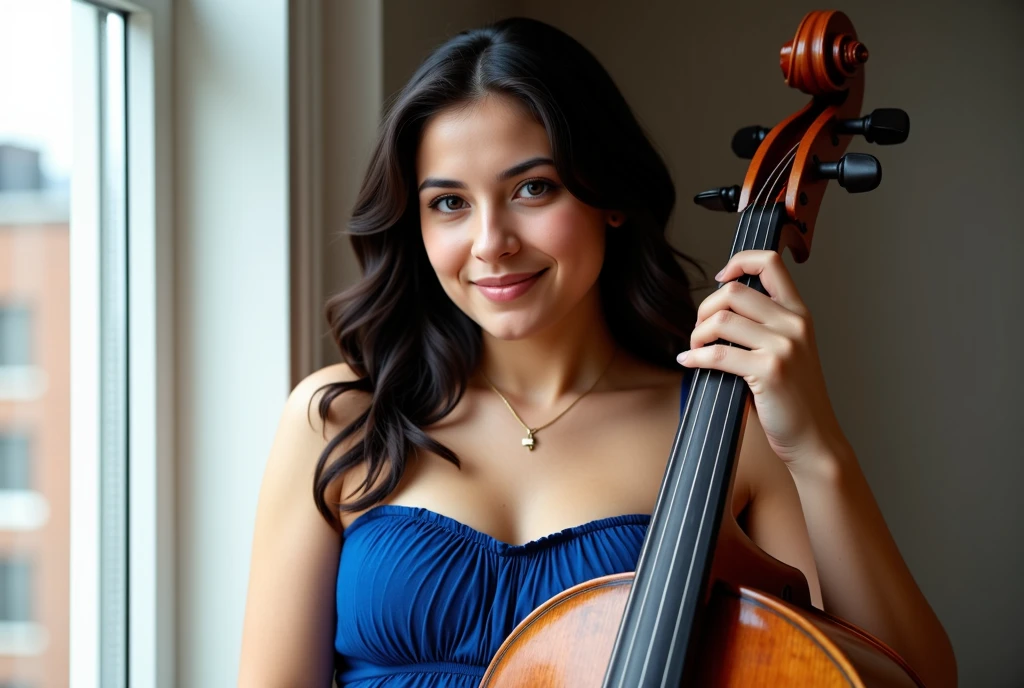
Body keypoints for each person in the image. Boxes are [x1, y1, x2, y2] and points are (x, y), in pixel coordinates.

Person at [238, 16, 956, 688]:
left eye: (533, 188)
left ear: (609, 195)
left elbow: (904, 679)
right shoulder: (339, 419)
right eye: (449, 203)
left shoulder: (729, 428)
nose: (491, 243)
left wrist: (816, 447)